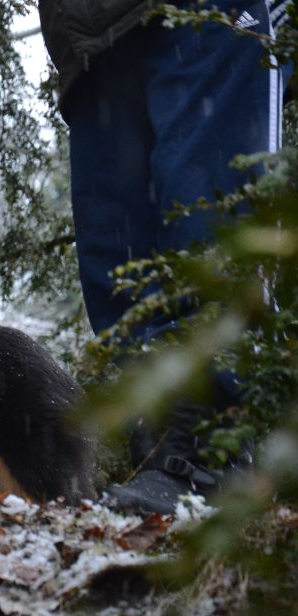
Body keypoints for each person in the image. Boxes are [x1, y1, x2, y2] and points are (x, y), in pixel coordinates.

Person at [39, 0, 292, 514]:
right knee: (119, 261)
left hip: (209, 12)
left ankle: (213, 451)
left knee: (214, 220)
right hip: (89, 33)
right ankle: (164, 444)